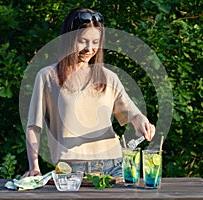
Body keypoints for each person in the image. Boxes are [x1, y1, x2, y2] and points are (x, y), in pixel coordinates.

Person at [22, 7, 155, 178]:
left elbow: (133, 114)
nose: (89, 49)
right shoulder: (47, 77)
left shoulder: (109, 77)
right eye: (82, 41)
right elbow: (34, 127)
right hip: (70, 170)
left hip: (114, 166)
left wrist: (142, 122)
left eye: (95, 42)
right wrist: (35, 167)